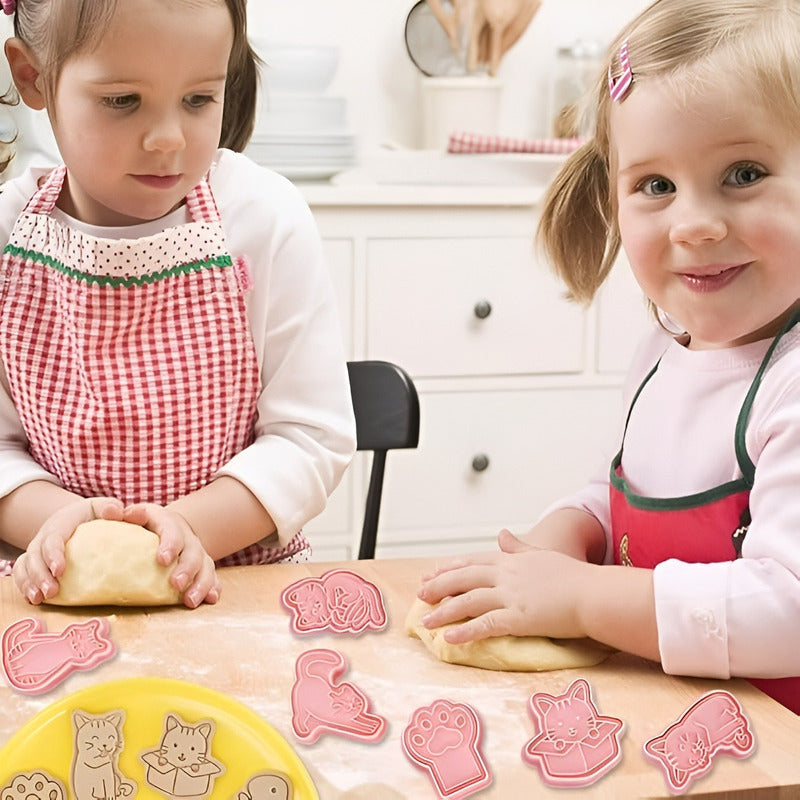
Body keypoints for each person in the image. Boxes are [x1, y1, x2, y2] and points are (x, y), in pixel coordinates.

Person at [418, 0, 800, 714]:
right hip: (682, 726)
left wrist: (586, 599)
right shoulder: (664, 348)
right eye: (656, 185)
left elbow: (789, 611)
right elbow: (625, 485)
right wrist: (570, 533)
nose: (694, 222)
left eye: (744, 173)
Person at [0, 0, 356, 609]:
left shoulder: (265, 221)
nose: (167, 138)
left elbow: (310, 438)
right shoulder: (9, 233)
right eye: (122, 100)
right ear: (33, 76)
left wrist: (190, 530)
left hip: (232, 589)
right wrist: (68, 529)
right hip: (49, 588)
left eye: (198, 100)